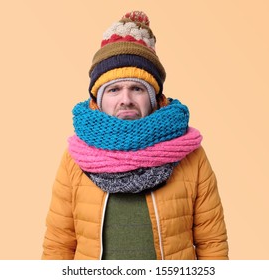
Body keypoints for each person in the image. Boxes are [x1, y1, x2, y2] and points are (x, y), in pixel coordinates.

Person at [42, 11, 228, 260]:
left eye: (137, 88)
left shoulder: (189, 154)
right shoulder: (76, 156)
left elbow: (212, 242)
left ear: (152, 98)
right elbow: (58, 244)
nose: (125, 100)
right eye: (114, 90)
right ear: (99, 99)